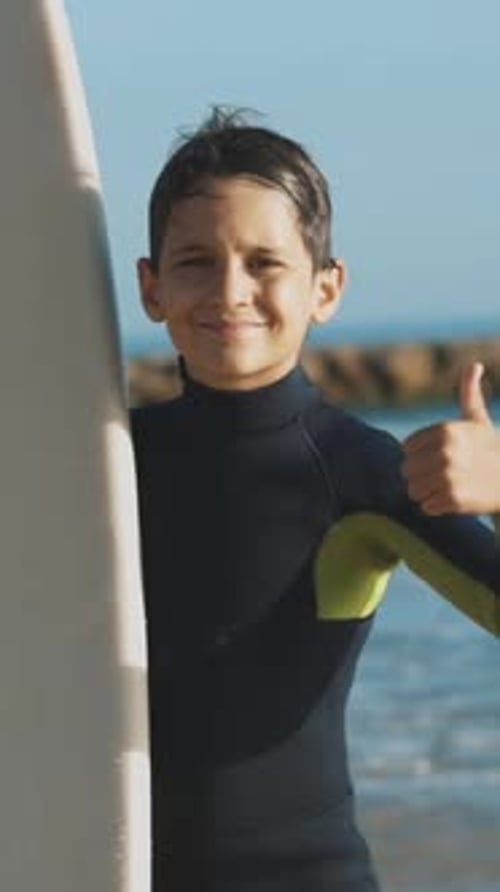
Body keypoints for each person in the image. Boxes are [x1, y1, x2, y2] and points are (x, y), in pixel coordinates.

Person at [131, 108, 500, 892]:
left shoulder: (357, 469)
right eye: (196, 261)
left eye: (265, 262)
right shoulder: (103, 458)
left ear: (326, 289)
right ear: (151, 287)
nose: (231, 291)